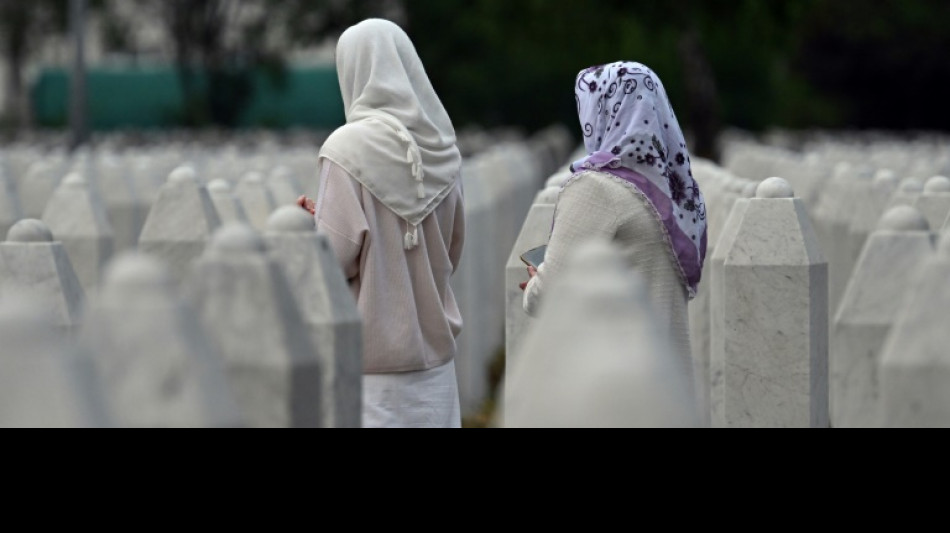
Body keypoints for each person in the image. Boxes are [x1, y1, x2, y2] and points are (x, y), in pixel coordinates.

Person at [297, 19, 465, 429]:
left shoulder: (345, 150)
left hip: (372, 377)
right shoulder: (443, 150)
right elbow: (451, 250)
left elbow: (333, 263)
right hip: (438, 375)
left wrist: (317, 230)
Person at [522, 61, 707, 362]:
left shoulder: (595, 187)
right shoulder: (675, 192)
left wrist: (535, 280)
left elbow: (548, 295)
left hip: (617, 380)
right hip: (668, 381)